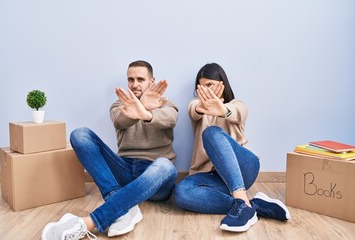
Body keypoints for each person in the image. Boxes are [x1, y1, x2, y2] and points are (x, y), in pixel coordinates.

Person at [41, 60, 178, 240]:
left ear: (151, 82)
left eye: (140, 79)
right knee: (79, 134)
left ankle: (90, 221)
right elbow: (120, 121)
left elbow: (170, 119)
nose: (134, 84)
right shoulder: (119, 105)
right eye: (130, 79)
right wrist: (139, 106)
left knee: (165, 165)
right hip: (124, 169)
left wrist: (146, 112)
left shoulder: (166, 104)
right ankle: (122, 208)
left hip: (155, 178)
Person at [174, 63, 290, 232]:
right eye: (201, 87)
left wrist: (223, 110)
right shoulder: (195, 105)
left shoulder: (237, 104)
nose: (205, 90)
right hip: (212, 177)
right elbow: (194, 109)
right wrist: (203, 107)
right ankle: (249, 205)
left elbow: (238, 112)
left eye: (210, 85)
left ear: (222, 84)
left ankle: (241, 200)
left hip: (244, 169)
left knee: (211, 133)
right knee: (181, 193)